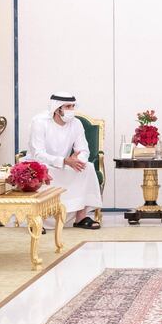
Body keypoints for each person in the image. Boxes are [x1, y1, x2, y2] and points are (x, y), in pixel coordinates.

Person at [26, 92, 102, 229]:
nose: (71, 110)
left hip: (66, 164)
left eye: (73, 106)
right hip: (41, 164)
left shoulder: (76, 123)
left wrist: (78, 161)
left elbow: (84, 149)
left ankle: (81, 217)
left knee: (88, 167)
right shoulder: (39, 122)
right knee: (42, 170)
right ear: (57, 108)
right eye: (68, 106)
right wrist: (64, 161)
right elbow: (38, 154)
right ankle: (37, 220)